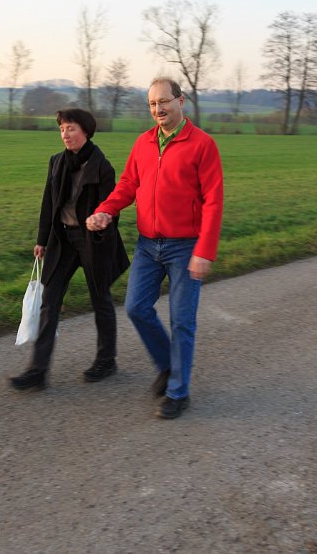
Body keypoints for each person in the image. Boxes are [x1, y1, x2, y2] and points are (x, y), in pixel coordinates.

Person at [86, 78, 223, 420]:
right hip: (149, 244)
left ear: (181, 100)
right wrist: (106, 210)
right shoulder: (144, 142)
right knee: (135, 307)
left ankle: (178, 392)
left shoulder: (202, 144)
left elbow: (213, 201)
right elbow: (129, 184)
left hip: (185, 246)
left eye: (164, 101)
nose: (158, 109)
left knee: (182, 321)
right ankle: (168, 365)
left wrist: (204, 250)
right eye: (152, 104)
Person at [9, 109, 130, 391]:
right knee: (49, 301)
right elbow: (48, 205)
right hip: (62, 240)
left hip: (92, 242)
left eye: (71, 128)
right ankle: (37, 371)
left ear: (86, 131)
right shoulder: (56, 163)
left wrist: (100, 226)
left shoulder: (102, 167)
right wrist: (42, 240)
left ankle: (106, 360)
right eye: (62, 129)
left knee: (100, 299)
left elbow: (112, 211)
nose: (65, 134)